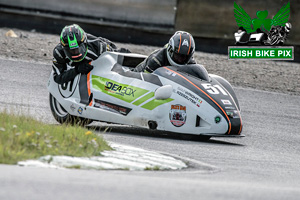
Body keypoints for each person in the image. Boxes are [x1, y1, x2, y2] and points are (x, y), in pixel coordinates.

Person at [52, 24, 127, 84]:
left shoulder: (98, 46)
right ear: (64, 48)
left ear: (84, 44)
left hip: (105, 52)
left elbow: (115, 58)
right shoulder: (59, 52)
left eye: (78, 49)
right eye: (71, 51)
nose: (75, 53)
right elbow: (57, 78)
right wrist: (76, 70)